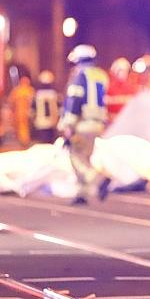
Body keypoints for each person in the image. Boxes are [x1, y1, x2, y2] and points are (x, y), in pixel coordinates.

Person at [58, 44, 110, 204]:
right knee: (86, 156)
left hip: (82, 124)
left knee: (77, 158)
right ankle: (82, 194)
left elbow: (74, 101)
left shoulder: (80, 76)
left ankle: (99, 180)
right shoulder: (101, 75)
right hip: (97, 124)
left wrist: (69, 125)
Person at [32, 70, 59, 143]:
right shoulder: (53, 94)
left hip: (41, 122)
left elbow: (33, 109)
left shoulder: (37, 95)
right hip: (51, 122)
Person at [8, 75, 34, 147]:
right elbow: (11, 101)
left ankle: (24, 140)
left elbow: (10, 101)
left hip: (24, 112)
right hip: (21, 112)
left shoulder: (27, 90)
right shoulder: (22, 91)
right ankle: (24, 140)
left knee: (24, 127)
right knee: (22, 127)